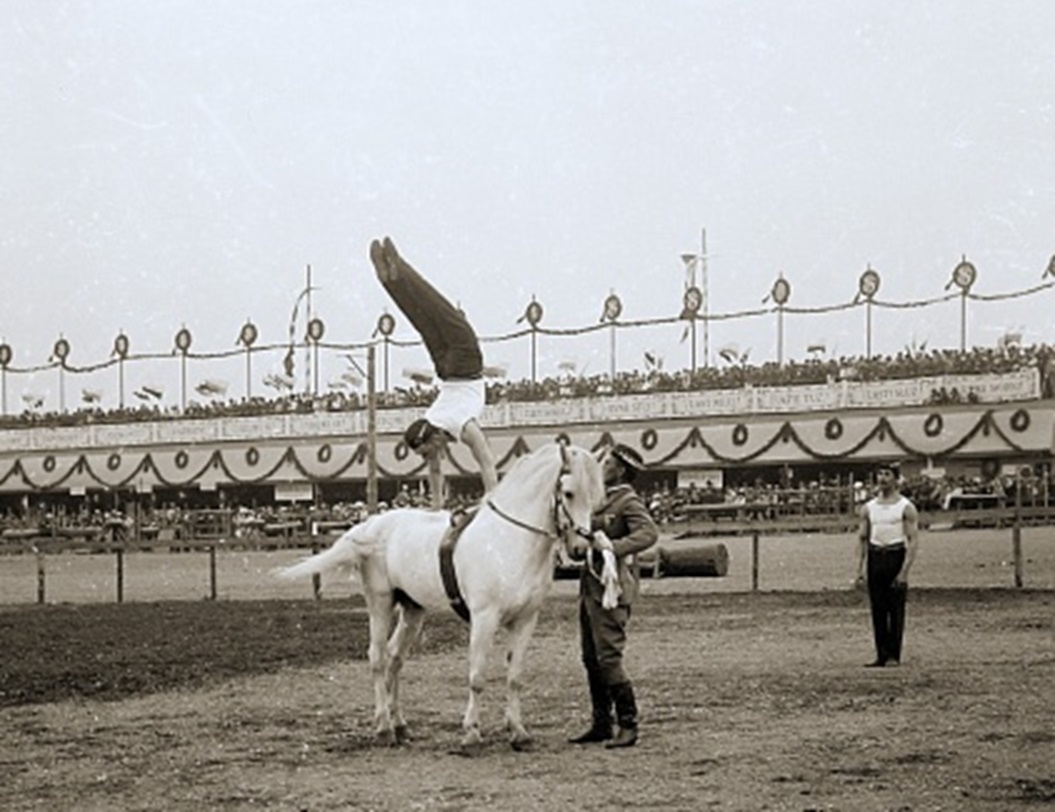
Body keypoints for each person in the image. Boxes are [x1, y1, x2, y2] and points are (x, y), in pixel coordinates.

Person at [370, 237, 499, 508]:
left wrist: (492, 500)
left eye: (429, 451)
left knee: (436, 306)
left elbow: (486, 460)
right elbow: (437, 471)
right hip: (446, 368)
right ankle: (391, 279)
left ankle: (397, 271)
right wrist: (437, 507)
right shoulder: (429, 421)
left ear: (434, 436)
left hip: (466, 362)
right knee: (422, 316)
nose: (432, 457)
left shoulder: (460, 425)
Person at [569, 443, 659, 748]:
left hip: (612, 587)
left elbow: (649, 533)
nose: (600, 465)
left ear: (619, 470)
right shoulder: (598, 498)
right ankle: (602, 723)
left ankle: (628, 724)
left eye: (606, 462)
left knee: (609, 657)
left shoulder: (627, 501)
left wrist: (613, 547)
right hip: (591, 585)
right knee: (590, 658)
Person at [855, 461, 920, 667]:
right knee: (878, 608)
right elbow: (862, 539)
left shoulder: (905, 507)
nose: (882, 478)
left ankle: (894, 654)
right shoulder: (869, 508)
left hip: (895, 555)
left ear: (895, 478)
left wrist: (905, 571)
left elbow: (913, 540)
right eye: (880, 474)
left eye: (887, 474)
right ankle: (881, 654)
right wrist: (859, 570)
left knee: (895, 608)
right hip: (876, 556)